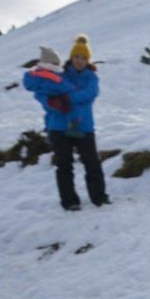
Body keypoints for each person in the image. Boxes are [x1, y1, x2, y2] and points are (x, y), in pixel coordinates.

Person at [25, 34, 108, 211]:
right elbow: (41, 93)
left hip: (84, 126)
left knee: (92, 163)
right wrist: (53, 103)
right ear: (72, 57)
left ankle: (99, 198)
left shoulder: (92, 78)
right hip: (58, 126)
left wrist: (65, 99)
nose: (80, 61)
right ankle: (70, 201)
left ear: (88, 60)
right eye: (77, 57)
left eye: (84, 58)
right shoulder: (58, 74)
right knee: (64, 165)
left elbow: (89, 95)